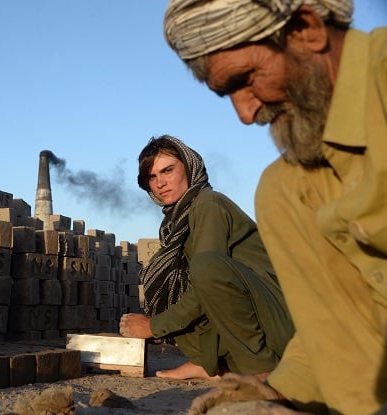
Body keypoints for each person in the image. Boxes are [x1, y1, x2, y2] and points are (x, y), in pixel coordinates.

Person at [162, 1, 387, 414]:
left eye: (246, 79)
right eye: (227, 95)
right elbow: (334, 324)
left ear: (306, 30)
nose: (247, 113)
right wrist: (280, 391)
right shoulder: (287, 189)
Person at [119, 135, 294, 381]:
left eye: (168, 171)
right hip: (253, 317)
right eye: (152, 176)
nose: (160, 183)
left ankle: (261, 368)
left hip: (278, 319)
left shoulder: (207, 204)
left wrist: (153, 326)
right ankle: (211, 363)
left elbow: (208, 276)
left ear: (189, 168)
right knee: (168, 278)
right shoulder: (177, 221)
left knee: (204, 268)